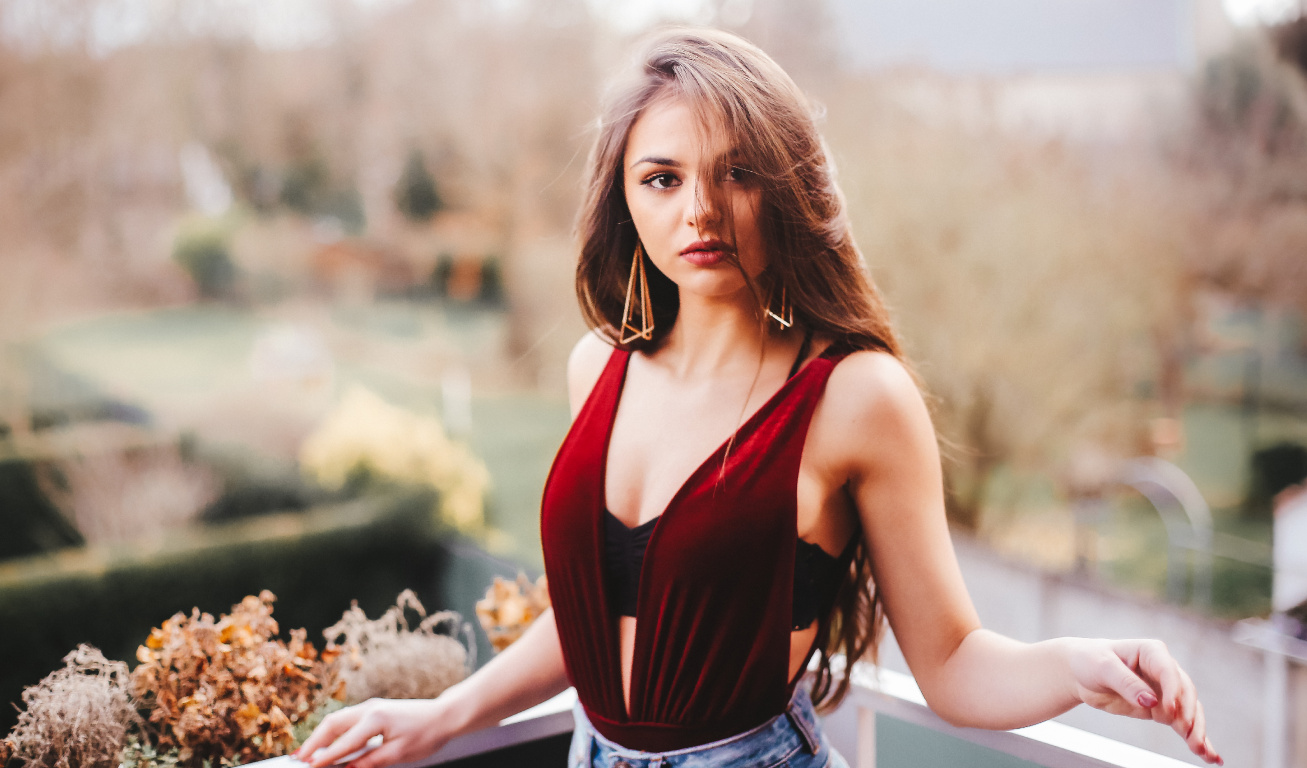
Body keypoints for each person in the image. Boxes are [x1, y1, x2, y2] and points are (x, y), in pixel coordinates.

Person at [296, 28, 1222, 768]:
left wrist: (1078, 665)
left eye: (736, 172)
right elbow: (601, 612)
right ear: (625, 199)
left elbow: (949, 664)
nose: (698, 211)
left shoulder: (854, 399)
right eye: (662, 179)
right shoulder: (597, 368)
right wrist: (444, 715)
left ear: (786, 187)